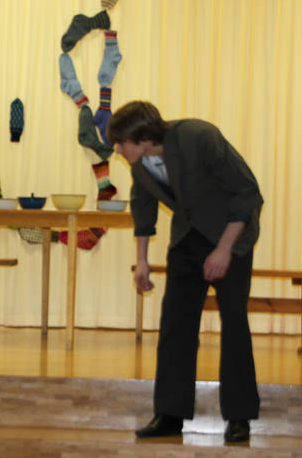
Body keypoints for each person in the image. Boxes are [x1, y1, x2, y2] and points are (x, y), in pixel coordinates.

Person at [106, 101, 263, 444]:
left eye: (121, 143)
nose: (117, 149)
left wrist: (223, 250)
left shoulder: (198, 136)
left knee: (234, 322)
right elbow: (143, 207)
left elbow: (247, 191)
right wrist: (143, 261)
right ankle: (170, 414)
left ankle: (240, 417)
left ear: (142, 138)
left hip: (231, 235)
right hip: (187, 239)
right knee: (175, 324)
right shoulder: (139, 165)